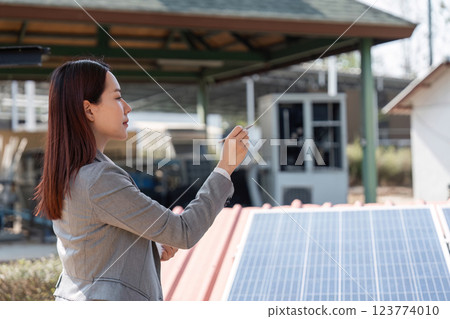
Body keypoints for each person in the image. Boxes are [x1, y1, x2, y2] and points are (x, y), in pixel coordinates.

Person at [33, 59, 249, 301]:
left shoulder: (71, 172)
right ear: (89, 109)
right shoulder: (99, 178)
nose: (127, 107)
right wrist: (225, 167)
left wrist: (148, 249)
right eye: (116, 98)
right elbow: (184, 232)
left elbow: (92, 248)